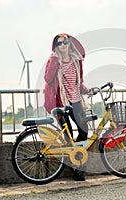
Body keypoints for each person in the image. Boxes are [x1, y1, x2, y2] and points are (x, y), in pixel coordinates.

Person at [44, 33, 89, 181]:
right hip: (61, 102)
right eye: (59, 44)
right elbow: (48, 78)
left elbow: (77, 81)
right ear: (55, 46)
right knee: (67, 135)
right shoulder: (54, 60)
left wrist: (84, 88)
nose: (63, 45)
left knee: (84, 130)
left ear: (70, 43)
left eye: (65, 42)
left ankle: (78, 165)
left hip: (75, 101)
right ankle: (77, 169)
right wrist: (55, 60)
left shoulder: (76, 60)